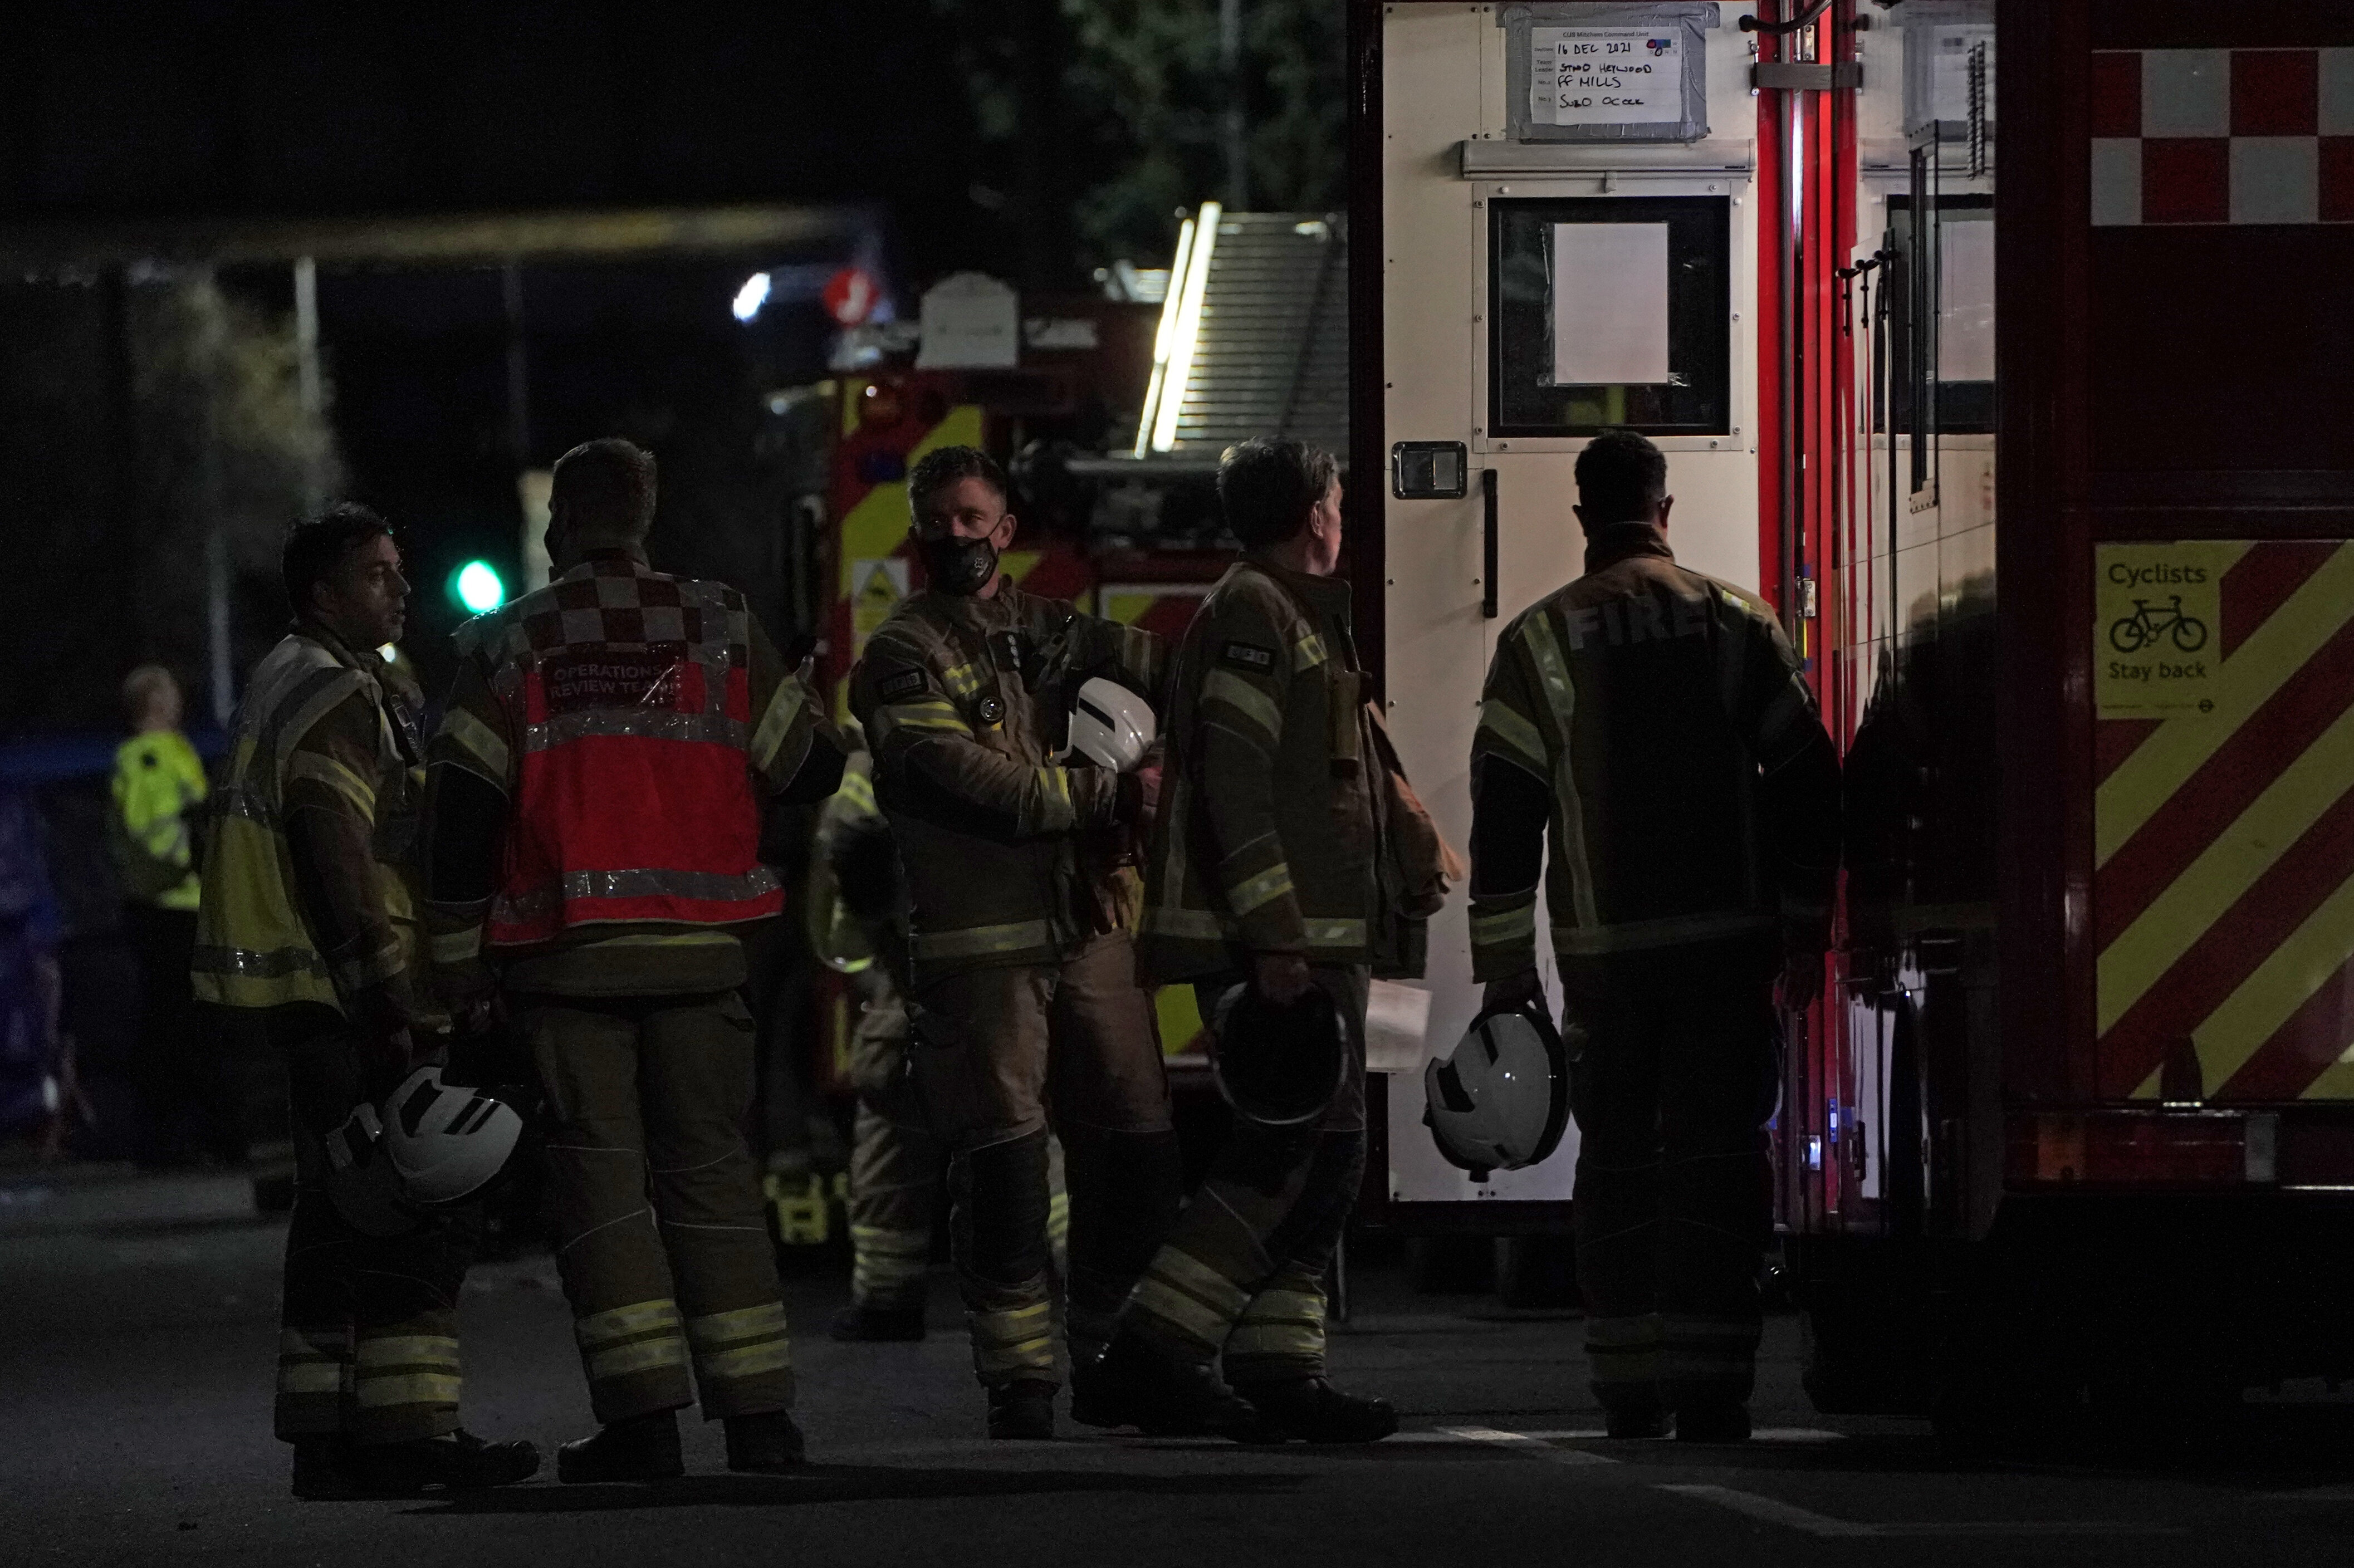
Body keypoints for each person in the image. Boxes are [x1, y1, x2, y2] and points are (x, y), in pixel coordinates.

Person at [420, 438, 843, 1483]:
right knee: (714, 1182)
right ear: (646, 516)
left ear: (562, 521)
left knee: (602, 1193)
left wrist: (452, 964)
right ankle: (761, 1423)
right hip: (704, 959)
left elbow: (461, 812)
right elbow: (811, 770)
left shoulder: (512, 642)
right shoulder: (721, 624)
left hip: (567, 967)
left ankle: (644, 1427)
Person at [1466, 429, 1840, 1444]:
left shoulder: (1537, 643)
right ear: (1664, 510)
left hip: (1606, 961)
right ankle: (1712, 1386)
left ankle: (1628, 1385)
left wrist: (1505, 978)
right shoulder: (1734, 622)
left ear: (1585, 517)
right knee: (1719, 1158)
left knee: (1619, 1161)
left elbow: (1505, 818)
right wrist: (1806, 926)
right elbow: (1807, 781)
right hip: (1729, 949)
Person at [1103, 436, 1451, 1443]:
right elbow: (1234, 784)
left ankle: (1278, 1370)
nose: (1342, 513)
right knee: (1285, 1157)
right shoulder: (1258, 613)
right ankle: (1153, 1353)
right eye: (1338, 497)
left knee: (1330, 1158)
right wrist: (1275, 937)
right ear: (1315, 512)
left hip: (1331, 943)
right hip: (1290, 948)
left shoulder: (1291, 614)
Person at [192, 503, 540, 1499]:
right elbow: (343, 856)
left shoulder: (294, 678)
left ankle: (326, 1435)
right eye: (377, 574)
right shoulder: (339, 691)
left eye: (398, 571)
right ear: (322, 594)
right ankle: (412, 1431)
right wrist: (389, 989)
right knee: (419, 1201)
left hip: (306, 992)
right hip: (349, 990)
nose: (400, 588)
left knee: (341, 1211)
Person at [846, 444, 1178, 1440]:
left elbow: (1166, 670)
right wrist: (1114, 792)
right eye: (938, 517)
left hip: (1091, 937)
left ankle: (1104, 1346)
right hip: (979, 951)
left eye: (972, 516)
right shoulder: (900, 650)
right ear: (917, 527)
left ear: (1007, 528)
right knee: (1005, 1173)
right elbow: (966, 775)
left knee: (1139, 1156)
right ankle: (1021, 1379)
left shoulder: (1052, 630)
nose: (956, 533)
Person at [816, 726, 1072, 1344]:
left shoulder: (876, 753)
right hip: (1008, 974)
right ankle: (1085, 1281)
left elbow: (848, 857)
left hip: (913, 979)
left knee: (894, 1129)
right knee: (1029, 1126)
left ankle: (886, 1295)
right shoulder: (1016, 738)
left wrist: (863, 955)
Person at [114, 664, 244, 1168]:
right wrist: (200, 849)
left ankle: (185, 1140)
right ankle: (176, 1142)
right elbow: (154, 834)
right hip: (167, 911)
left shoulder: (172, 750)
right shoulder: (145, 755)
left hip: (185, 907)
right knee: (178, 1030)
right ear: (155, 703)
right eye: (168, 692)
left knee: (184, 1029)